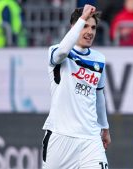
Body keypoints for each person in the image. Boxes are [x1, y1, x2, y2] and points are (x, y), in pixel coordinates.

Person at [42, 4, 111, 169]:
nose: (90, 32)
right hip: (60, 137)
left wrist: (105, 128)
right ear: (74, 27)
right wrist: (82, 18)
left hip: (90, 140)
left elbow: (99, 96)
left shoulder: (99, 59)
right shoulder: (57, 52)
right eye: (85, 26)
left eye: (93, 28)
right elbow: (63, 50)